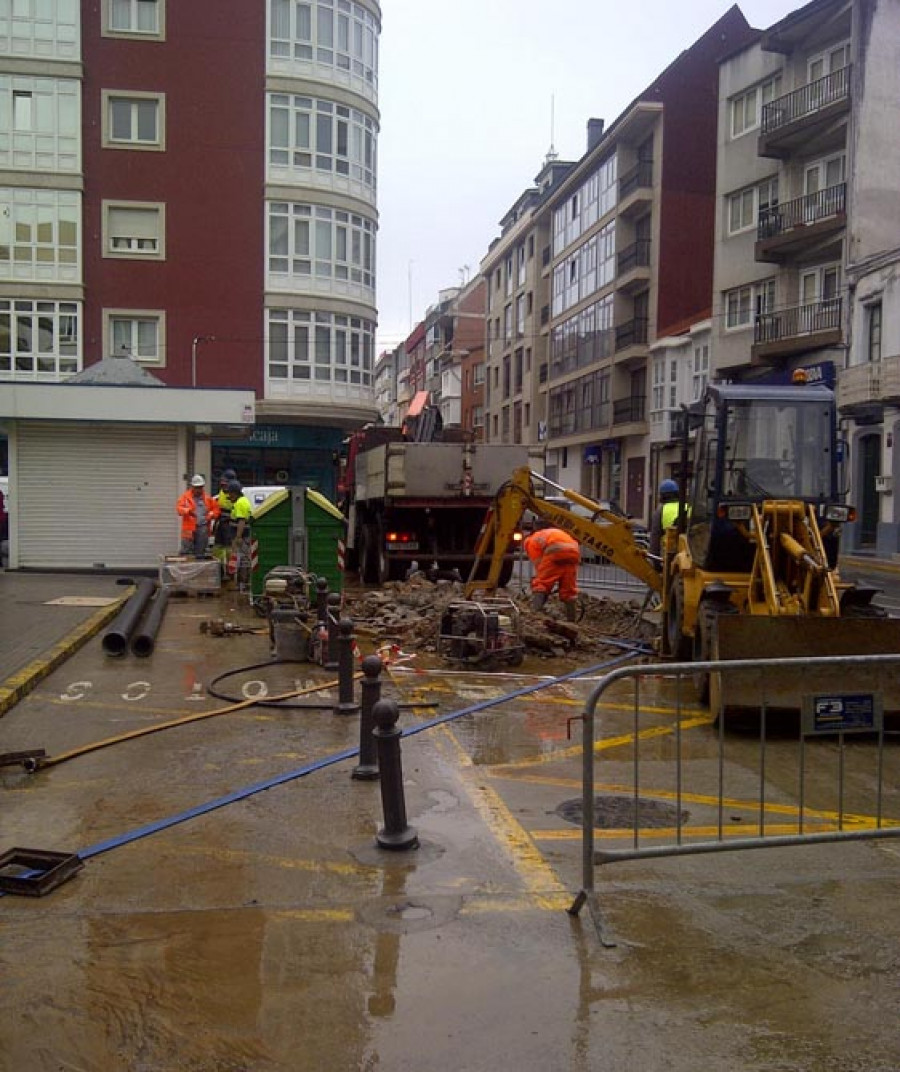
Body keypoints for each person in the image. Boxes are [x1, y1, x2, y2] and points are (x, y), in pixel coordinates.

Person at [522, 521, 581, 622]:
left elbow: (539, 563)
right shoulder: (549, 533)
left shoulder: (530, 542)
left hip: (556, 552)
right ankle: (572, 621)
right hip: (574, 552)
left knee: (541, 584)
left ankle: (534, 616)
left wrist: (540, 580)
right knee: (568, 590)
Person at [176, 474, 220, 556]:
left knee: (201, 552)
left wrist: (210, 515)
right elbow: (179, 509)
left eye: (200, 487)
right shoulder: (185, 497)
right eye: (196, 487)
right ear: (192, 487)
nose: (198, 490)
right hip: (189, 529)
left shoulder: (207, 498)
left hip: (203, 528)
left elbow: (216, 510)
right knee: (186, 552)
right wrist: (188, 511)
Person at [224, 479, 253, 584]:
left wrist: (238, 537)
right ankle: (242, 582)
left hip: (242, 537)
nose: (229, 496)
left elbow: (241, 521)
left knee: (243, 560)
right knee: (242, 559)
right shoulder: (240, 501)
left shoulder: (241, 503)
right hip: (242, 536)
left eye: (230, 494)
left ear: (235, 493)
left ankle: (243, 582)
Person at [649, 479, 684, 557]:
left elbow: (655, 536)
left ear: (662, 495)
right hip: (687, 552)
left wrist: (654, 558)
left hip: (671, 553)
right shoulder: (686, 506)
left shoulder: (661, 510)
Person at [213, 468, 238, 557]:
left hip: (230, 524)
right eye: (222, 483)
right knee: (218, 546)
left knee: (229, 548)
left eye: (225, 483)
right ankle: (219, 565)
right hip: (221, 523)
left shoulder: (235, 495)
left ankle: (229, 566)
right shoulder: (222, 492)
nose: (223, 485)